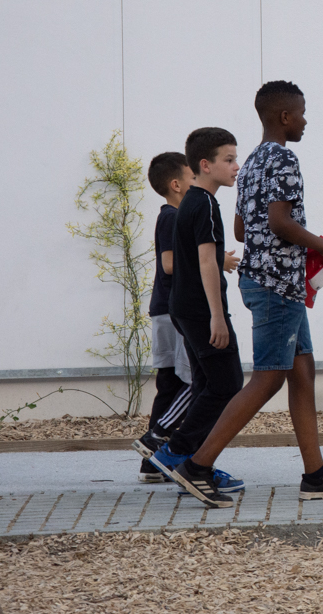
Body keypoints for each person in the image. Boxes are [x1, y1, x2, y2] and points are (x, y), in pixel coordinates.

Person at [168, 81, 323, 507]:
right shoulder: (285, 158)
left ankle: (315, 475)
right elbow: (279, 222)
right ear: (284, 117)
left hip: (271, 282)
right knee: (268, 377)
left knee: (303, 372)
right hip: (278, 286)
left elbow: (243, 229)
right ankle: (197, 465)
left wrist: (289, 240)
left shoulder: (253, 162)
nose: (306, 121)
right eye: (302, 113)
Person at [148, 129, 247, 503]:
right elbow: (208, 262)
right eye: (228, 159)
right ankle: (181, 456)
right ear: (205, 165)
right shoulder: (203, 204)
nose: (236, 166)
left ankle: (189, 457)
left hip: (186, 310)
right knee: (226, 383)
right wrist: (217, 317)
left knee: (208, 385)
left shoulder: (192, 201)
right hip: (199, 311)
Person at [131, 151, 236, 482]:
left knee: (175, 382)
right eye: (191, 178)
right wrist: (216, 261)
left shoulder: (179, 213)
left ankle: (154, 463)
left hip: (168, 308)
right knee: (196, 382)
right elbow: (170, 264)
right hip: (172, 309)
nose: (195, 184)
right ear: (177, 185)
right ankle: (160, 438)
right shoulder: (173, 216)